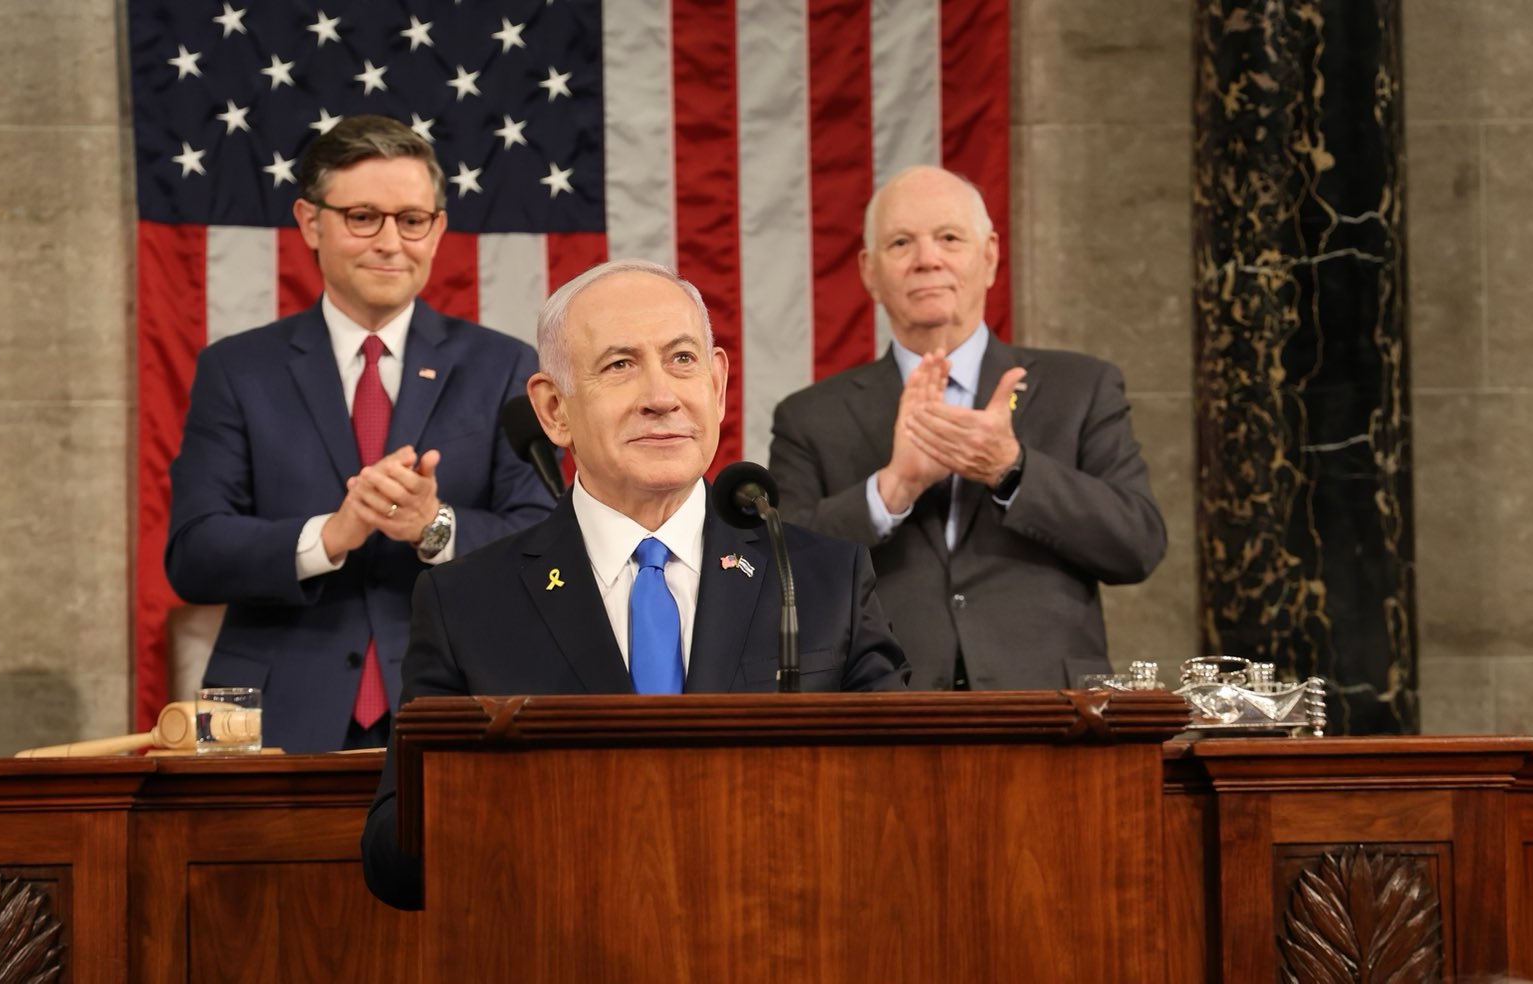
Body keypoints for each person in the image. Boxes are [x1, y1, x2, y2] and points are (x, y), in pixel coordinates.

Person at [361, 259, 908, 909]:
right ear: (554, 410)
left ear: (718, 382)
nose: (661, 395)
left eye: (681, 359)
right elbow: (395, 859)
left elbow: (905, 806)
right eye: (620, 365)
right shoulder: (468, 602)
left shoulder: (820, 578)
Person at [164, 115, 554, 753]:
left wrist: (435, 526)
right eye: (363, 217)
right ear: (311, 222)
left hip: (458, 706)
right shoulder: (236, 369)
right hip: (271, 718)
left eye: (411, 219)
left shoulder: (503, 366)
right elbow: (194, 554)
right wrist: (330, 535)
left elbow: (547, 544)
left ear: (438, 229)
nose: (390, 242)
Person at [768, 165, 1167, 690]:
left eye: (949, 238)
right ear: (869, 271)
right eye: (901, 242)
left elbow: (1137, 545)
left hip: (1053, 717)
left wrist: (1011, 469)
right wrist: (891, 491)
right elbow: (777, 579)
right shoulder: (809, 416)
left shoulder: (1082, 387)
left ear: (990, 256)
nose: (926, 259)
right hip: (883, 717)